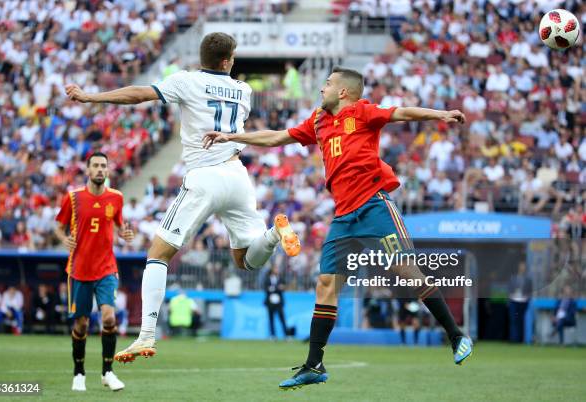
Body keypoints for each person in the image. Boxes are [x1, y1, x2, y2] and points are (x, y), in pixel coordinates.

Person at [203, 66, 473, 389]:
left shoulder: (362, 112)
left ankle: (455, 335)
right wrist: (232, 137)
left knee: (406, 271)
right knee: (326, 284)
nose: (322, 89)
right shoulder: (318, 122)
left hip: (374, 206)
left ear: (343, 91)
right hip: (344, 217)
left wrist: (441, 115)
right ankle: (314, 364)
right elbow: (277, 137)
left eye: (328, 84)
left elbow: (400, 113)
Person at [65, 32, 301, 363]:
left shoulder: (187, 81)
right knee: (246, 260)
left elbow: (138, 94)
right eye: (232, 57)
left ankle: (146, 335)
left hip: (204, 176)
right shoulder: (243, 90)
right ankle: (276, 233)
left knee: (158, 254)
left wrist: (92, 97)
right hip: (238, 176)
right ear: (226, 61)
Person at [54, 152, 133, 392]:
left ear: (107, 171)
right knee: (81, 325)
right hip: (79, 271)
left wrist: (125, 233)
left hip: (106, 268)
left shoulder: (116, 198)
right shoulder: (73, 198)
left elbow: (120, 224)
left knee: (108, 317)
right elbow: (58, 226)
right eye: (96, 166)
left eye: (103, 166)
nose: (100, 170)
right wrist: (63, 238)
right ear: (88, 170)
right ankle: (79, 373)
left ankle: (108, 372)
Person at [507, 262, 532, 343]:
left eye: (523, 267)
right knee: (513, 320)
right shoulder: (513, 278)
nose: (522, 268)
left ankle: (520, 339)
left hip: (523, 301)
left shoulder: (528, 279)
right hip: (514, 300)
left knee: (520, 320)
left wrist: (527, 298)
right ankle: (513, 339)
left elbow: (530, 291)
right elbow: (509, 289)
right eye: (521, 266)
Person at [264, 265, 289, 339]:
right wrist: (277, 288)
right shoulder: (267, 279)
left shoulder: (281, 278)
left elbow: (283, 287)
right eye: (276, 268)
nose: (277, 270)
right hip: (270, 301)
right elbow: (266, 289)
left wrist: (273, 288)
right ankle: (272, 335)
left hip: (279, 301)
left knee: (282, 318)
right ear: (272, 270)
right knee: (271, 318)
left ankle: (286, 335)